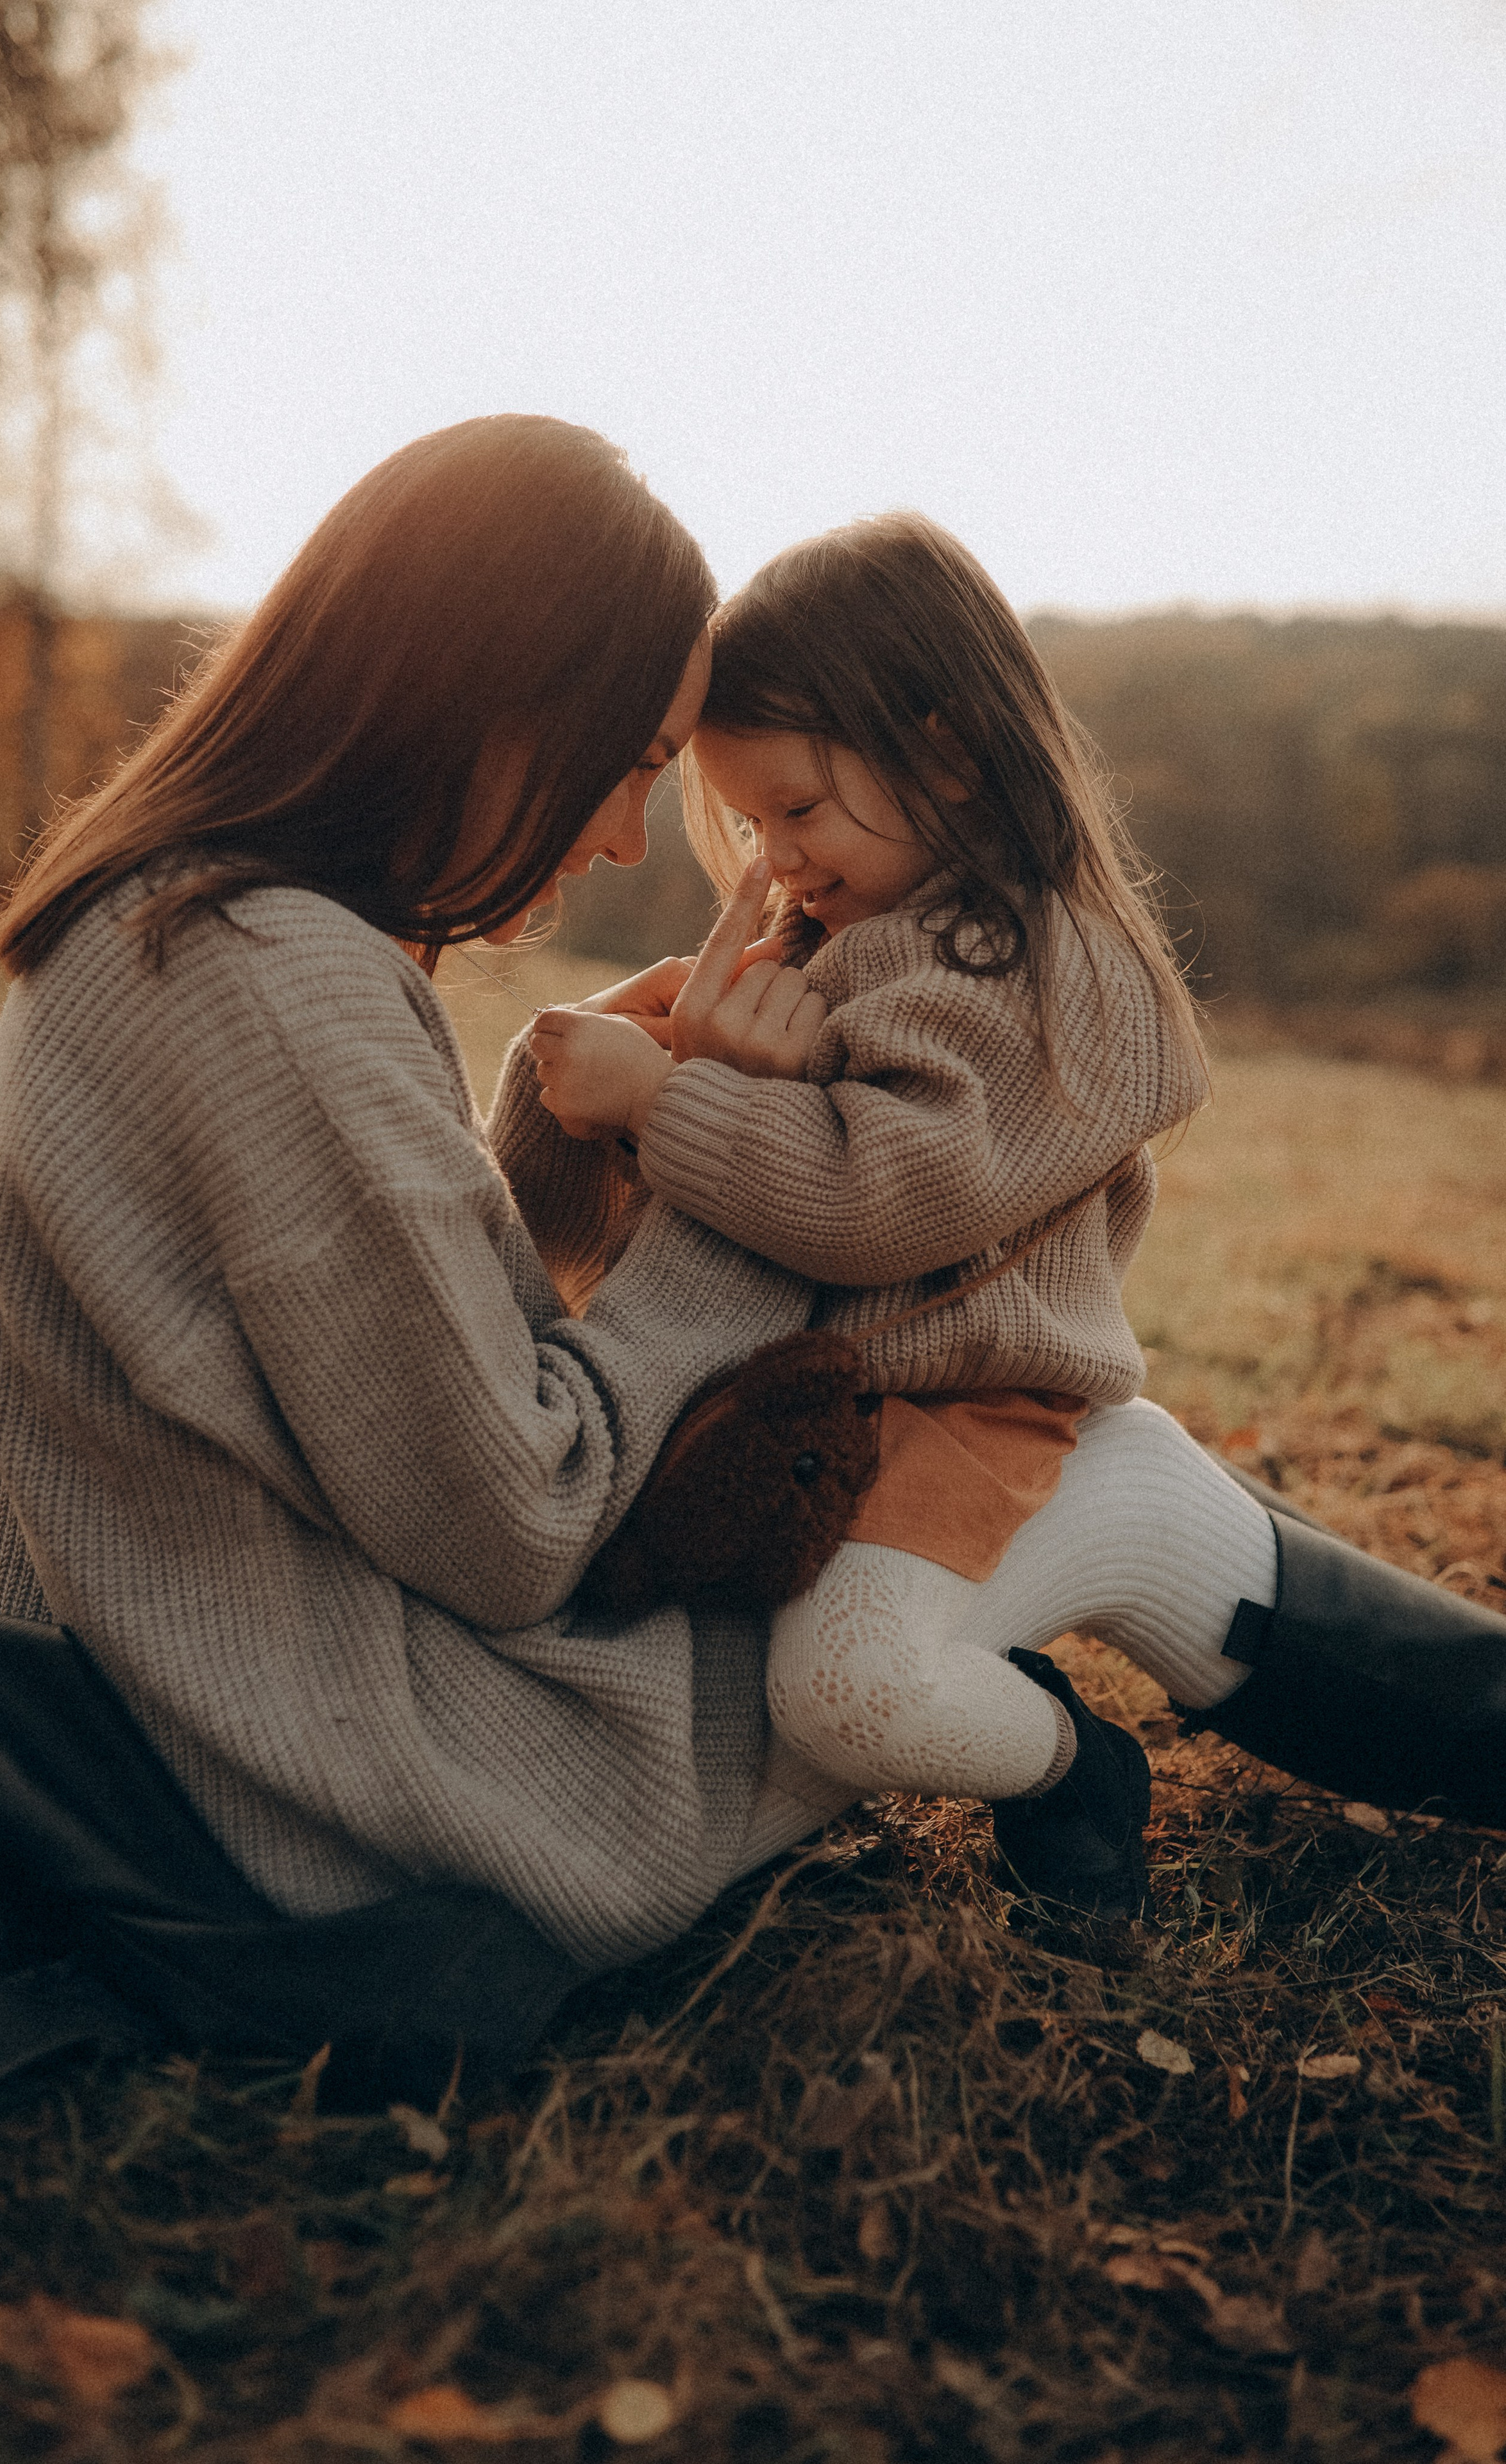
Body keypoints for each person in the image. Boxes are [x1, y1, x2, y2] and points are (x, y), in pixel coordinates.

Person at [0, 414, 842, 2016]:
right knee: (957, 1530)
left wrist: (555, 1132)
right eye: (636, 763)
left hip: (202, 1712)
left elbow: (349, 1366)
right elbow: (513, 1525)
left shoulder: (178, 914)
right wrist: (736, 1172)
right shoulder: (275, 973)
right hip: (331, 1790)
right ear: (498, 705)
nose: (623, 837)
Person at [521, 512, 1506, 1918]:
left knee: (846, 1690)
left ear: (946, 753)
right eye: (748, 822)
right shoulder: (824, 945)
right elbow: (618, 1233)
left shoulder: (1048, 971)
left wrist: (668, 1103)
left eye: (798, 810)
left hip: (971, 1414)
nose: (774, 857)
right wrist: (588, 1081)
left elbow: (885, 1197)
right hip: (805, 1420)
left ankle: (1066, 1762)